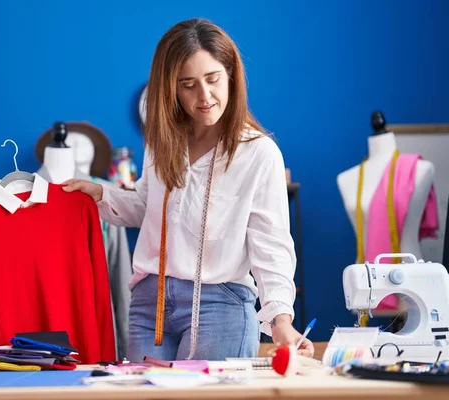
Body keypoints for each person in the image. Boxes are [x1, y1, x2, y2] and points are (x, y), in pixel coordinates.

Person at [62, 18, 314, 361]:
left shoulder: (257, 152)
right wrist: (102, 193)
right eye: (188, 85)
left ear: (231, 76)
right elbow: (148, 208)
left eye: (212, 80)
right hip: (151, 304)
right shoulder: (163, 141)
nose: (205, 96)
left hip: (219, 305)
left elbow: (271, 244)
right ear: (172, 88)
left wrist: (281, 320)